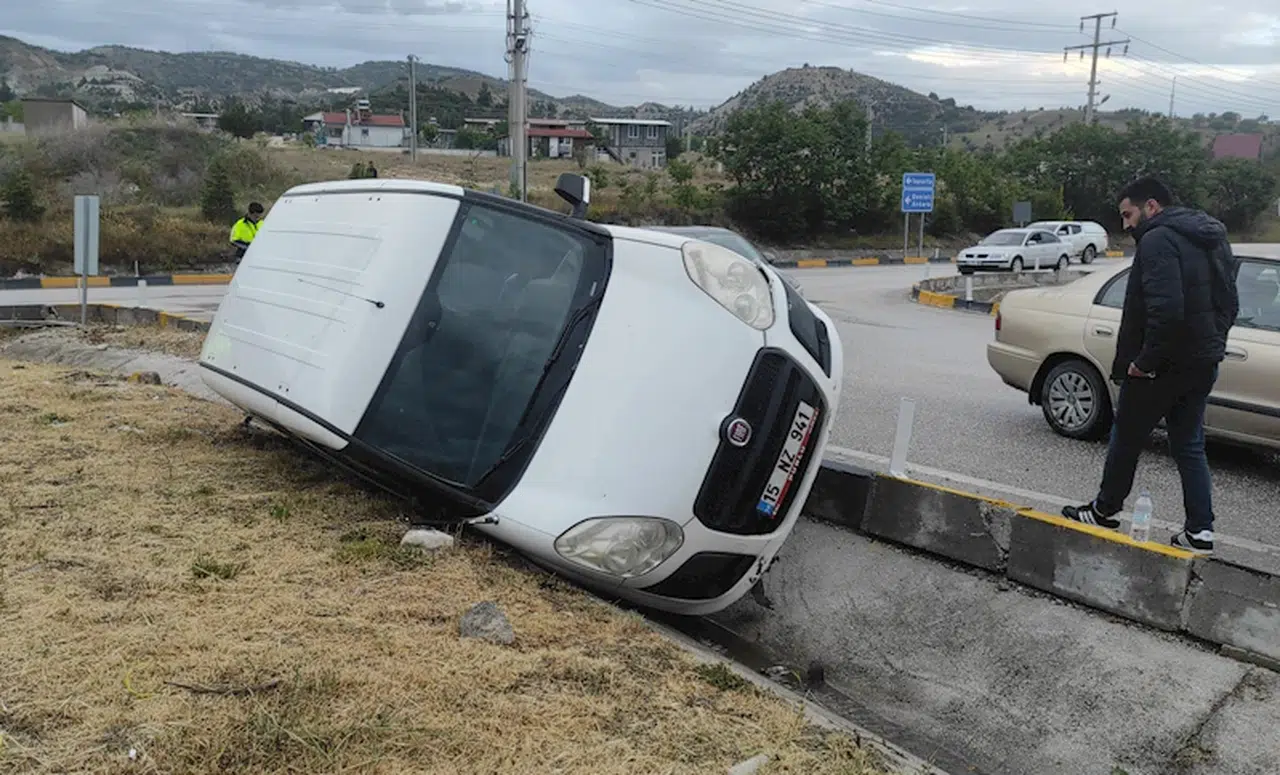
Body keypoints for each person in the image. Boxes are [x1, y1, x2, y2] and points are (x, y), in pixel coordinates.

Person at [1062, 176, 1239, 555]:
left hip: (1162, 365)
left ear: (1152, 206)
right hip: (1202, 361)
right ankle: (1200, 532)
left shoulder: (1157, 239)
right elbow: (1229, 300)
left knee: (1126, 436)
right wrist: (1212, 344)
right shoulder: (1212, 238)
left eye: (1128, 215)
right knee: (1189, 444)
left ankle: (1104, 511)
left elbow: (1167, 310)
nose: (1126, 225)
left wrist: (1144, 362)